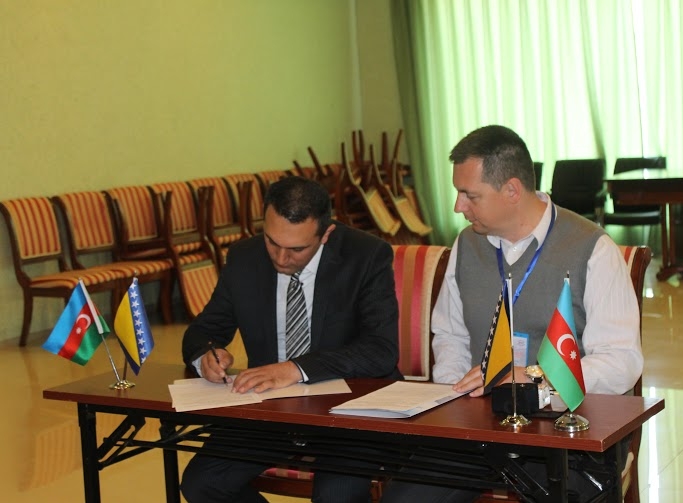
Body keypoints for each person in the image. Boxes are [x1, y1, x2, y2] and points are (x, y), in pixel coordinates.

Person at [379, 125, 643, 503]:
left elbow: (621, 361)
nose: (458, 207)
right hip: (479, 427)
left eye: (470, 195)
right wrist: (455, 399)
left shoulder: (592, 248)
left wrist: (537, 379)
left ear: (512, 191)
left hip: (566, 430)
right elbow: (450, 335)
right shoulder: (467, 244)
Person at [180, 176, 401, 503]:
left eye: (297, 249)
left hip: (350, 407)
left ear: (326, 233)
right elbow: (204, 330)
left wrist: (296, 369)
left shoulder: (366, 256)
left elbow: (381, 350)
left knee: (335, 496)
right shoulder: (245, 257)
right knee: (202, 483)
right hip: (273, 409)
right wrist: (206, 356)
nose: (281, 258)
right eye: (272, 242)